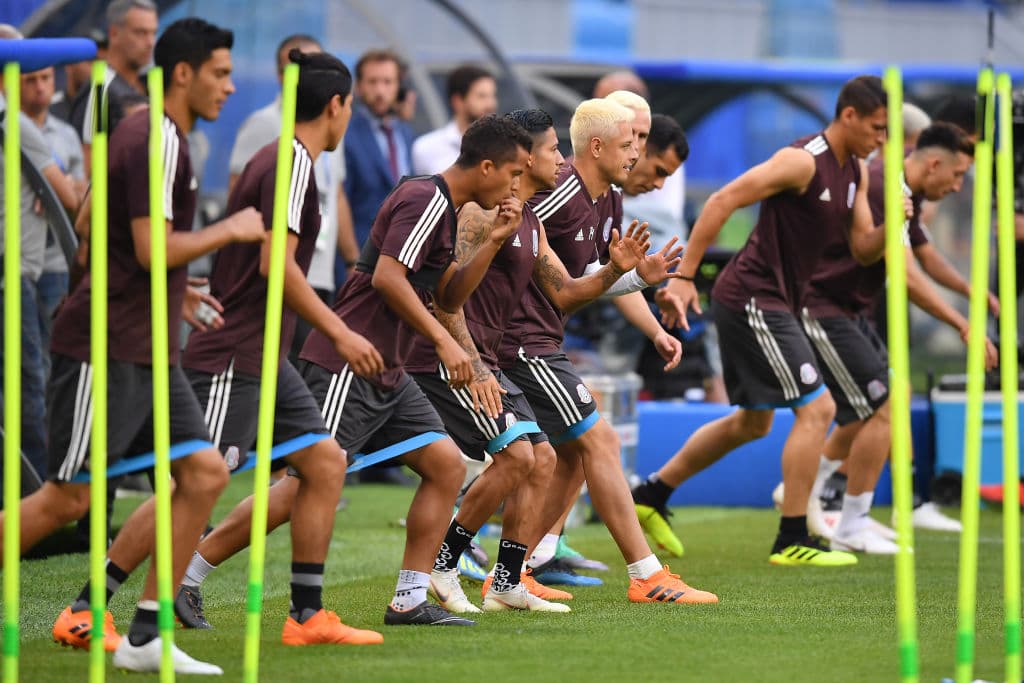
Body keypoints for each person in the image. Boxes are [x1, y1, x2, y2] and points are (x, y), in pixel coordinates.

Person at [176, 114, 534, 627]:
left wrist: (495, 240)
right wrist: (442, 343)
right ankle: (188, 578)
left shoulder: (451, 211)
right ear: (485, 166)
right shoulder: (423, 197)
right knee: (301, 487)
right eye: (514, 173)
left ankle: (410, 599)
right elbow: (389, 279)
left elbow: (449, 295)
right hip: (350, 362)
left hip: (387, 368)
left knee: (446, 466)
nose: (515, 187)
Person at [3, 18, 266, 674]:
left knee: (203, 473)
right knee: (70, 497)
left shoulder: (150, 131)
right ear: (184, 74)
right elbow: (148, 247)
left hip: (149, 346)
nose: (230, 88)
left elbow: (99, 229)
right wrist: (229, 229)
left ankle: (148, 635)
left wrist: (175, 291)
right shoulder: (159, 137)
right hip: (105, 346)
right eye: (220, 74)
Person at [418, 108, 675, 612]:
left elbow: (566, 293)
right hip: (464, 360)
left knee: (543, 458)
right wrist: (474, 363)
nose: (562, 159)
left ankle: (507, 579)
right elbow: (445, 300)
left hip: (493, 356)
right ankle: (441, 566)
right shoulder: (480, 214)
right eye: (554, 150)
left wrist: (625, 273)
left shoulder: (530, 220)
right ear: (524, 157)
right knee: (519, 457)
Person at [631, 75, 891, 567]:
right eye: (877, 128)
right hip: (753, 296)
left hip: (776, 302)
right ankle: (793, 537)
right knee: (817, 410)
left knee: (753, 423)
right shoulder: (801, 161)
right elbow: (722, 200)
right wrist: (685, 276)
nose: (882, 139)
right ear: (850, 115)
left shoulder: (855, 168)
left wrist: (890, 224)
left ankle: (652, 493)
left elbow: (862, 248)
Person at [475, 99, 715, 604]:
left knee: (571, 455)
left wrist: (648, 310)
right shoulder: (557, 194)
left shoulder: (608, 200)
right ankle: (646, 575)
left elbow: (587, 282)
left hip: (542, 339)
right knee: (596, 442)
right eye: (632, 141)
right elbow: (505, 234)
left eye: (641, 140)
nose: (638, 153)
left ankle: (518, 568)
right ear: (600, 144)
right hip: (521, 342)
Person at [227, 33, 353, 361]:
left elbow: (336, 196)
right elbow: (275, 262)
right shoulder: (291, 156)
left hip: (276, 327)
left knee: (307, 409)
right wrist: (341, 333)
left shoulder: (297, 154)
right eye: (350, 105)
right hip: (246, 342)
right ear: (335, 105)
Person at [0, 25, 82, 480]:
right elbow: (72, 200)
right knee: (30, 382)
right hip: (11, 277)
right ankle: (37, 498)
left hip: (24, 272)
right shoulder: (14, 125)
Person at [20, 65, 88, 380]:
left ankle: (48, 426)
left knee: (51, 353)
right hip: (16, 259)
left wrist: (53, 189)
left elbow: (81, 194)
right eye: (30, 79)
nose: (40, 87)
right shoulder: (11, 128)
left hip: (55, 261)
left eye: (45, 78)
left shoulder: (67, 134)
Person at [342, 49, 413, 268]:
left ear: (398, 86)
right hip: (359, 261)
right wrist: (352, 259)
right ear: (359, 86)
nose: (380, 90)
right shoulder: (345, 134)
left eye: (387, 82)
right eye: (372, 82)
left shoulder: (405, 134)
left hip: (399, 261)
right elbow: (339, 201)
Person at [79, 0, 158, 168]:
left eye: (153, 33)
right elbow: (88, 162)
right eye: (141, 32)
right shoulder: (100, 86)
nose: (150, 42)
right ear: (114, 33)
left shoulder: (151, 85)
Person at [411, 64, 497, 175]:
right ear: (458, 101)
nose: (491, 104)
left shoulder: (504, 148)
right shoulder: (425, 148)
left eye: (492, 96)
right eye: (482, 96)